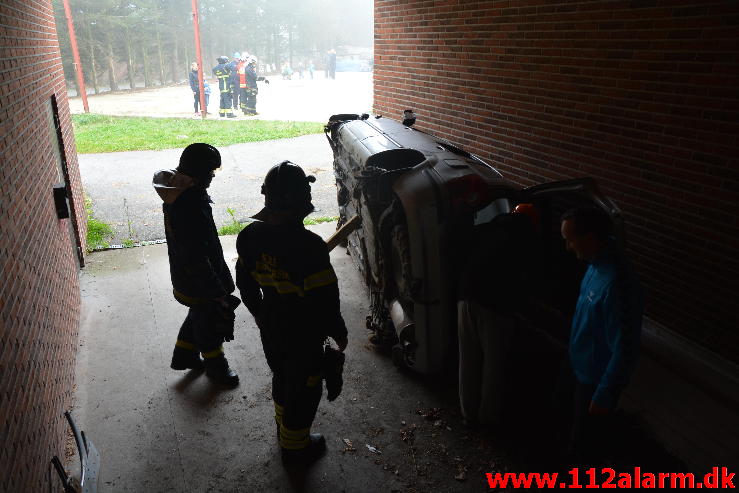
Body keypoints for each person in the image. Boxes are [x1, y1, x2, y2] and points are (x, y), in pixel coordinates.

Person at [235, 161, 348, 466]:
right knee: (307, 386)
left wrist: (259, 312)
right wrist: (339, 333)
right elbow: (326, 299)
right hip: (304, 332)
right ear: (302, 203)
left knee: (283, 376)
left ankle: (283, 428)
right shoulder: (310, 247)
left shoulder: (248, 237)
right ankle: (296, 449)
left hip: (271, 323)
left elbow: (244, 282)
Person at [559, 207, 643, 460]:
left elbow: (626, 349)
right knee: (566, 420)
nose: (567, 247)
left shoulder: (618, 284)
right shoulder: (594, 264)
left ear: (590, 238)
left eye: (569, 240)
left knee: (586, 446)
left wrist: (604, 395)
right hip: (577, 366)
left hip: (594, 381)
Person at [153, 143, 240, 386]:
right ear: (199, 173)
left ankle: (184, 356)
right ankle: (216, 368)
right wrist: (214, 289)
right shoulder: (189, 204)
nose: (213, 176)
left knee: (198, 314)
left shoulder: (179, 194)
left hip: (187, 276)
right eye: (210, 172)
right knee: (209, 321)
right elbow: (196, 254)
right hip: (198, 279)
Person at [456, 204, 539, 429]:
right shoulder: (528, 242)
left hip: (466, 296)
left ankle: (468, 414)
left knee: (468, 360)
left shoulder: (489, 228)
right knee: (493, 366)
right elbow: (527, 281)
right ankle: (488, 420)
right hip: (497, 307)